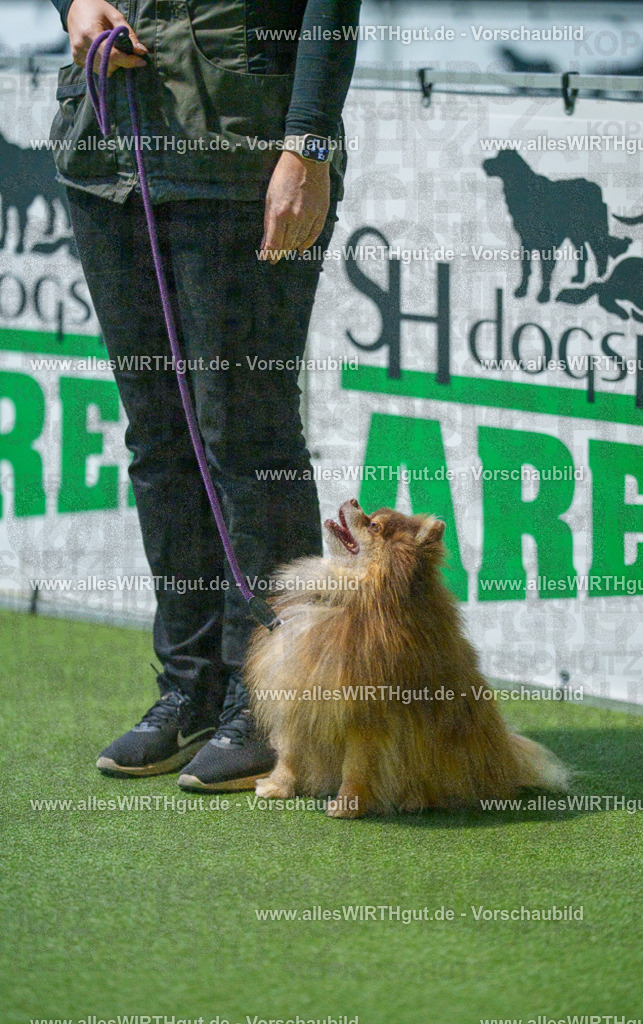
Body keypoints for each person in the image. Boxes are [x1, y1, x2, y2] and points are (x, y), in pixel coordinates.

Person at [48, 0, 361, 789]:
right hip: (106, 154)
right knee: (159, 438)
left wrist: (308, 148)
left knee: (244, 436)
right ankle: (189, 689)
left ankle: (266, 703)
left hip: (243, 161)